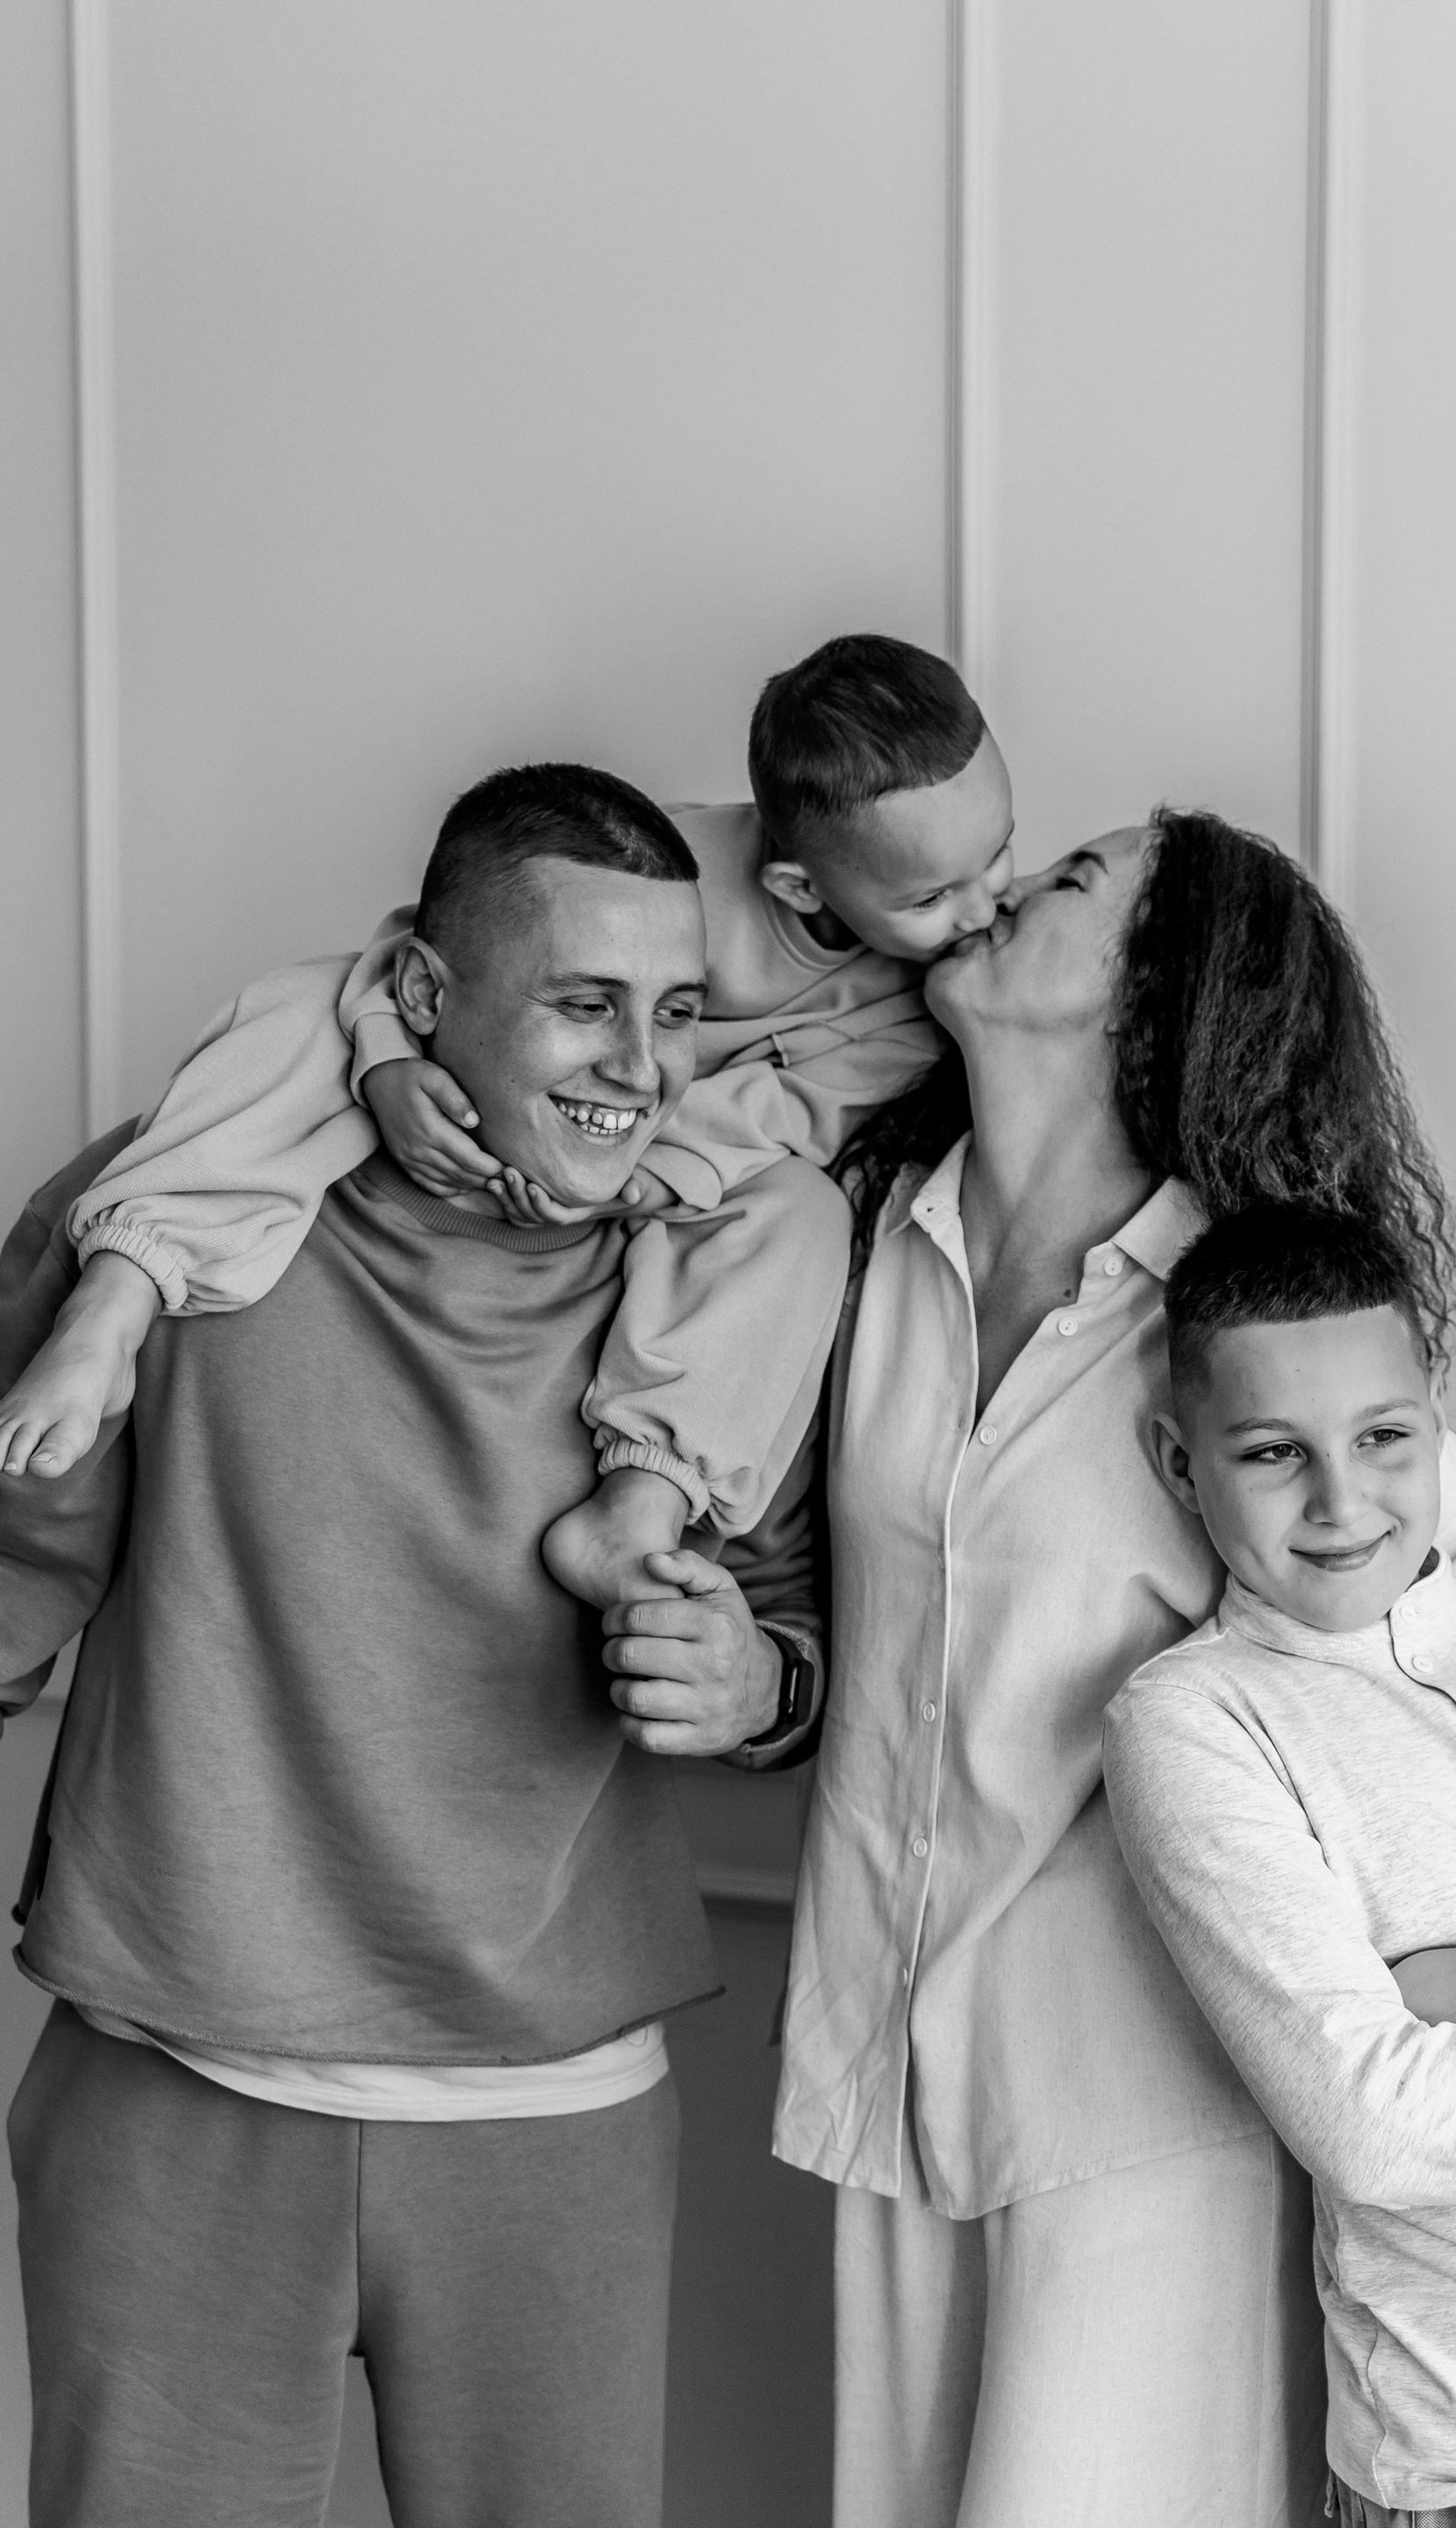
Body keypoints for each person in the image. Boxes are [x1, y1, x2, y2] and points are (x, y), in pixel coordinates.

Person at [770, 808, 1456, 2528]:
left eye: (1067, 882)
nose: (1002, 888)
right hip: (881, 2049)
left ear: (1154, 988)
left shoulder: (1239, 1336)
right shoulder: (872, 1235)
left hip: (1133, 2079)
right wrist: (763, 1686)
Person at [0, 764, 836, 2528]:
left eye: (678, 1011)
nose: (640, 1066)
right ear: (423, 993)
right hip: (175, 2088)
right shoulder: (174, 1209)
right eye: (584, 1004)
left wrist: (761, 1686)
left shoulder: (733, 1274)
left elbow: (801, 1638)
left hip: (559, 2114)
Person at [0, 633, 1015, 1613]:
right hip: (489, 1092)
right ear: (796, 882)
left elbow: (794, 1114)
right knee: (297, 1007)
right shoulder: (671, 866)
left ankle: (641, 1501)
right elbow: (427, 941)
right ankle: (122, 1291)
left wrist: (649, 1173)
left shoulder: (919, 1001)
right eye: (936, 895)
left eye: (1002, 857)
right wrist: (388, 1061)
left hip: (663, 1159)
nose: (986, 912)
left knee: (799, 1212)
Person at [1106, 1202, 1456, 2527]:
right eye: (1273, 1452)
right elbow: (1378, 2126)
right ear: (1182, 1463)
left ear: (1436, 1428)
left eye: (1382, 1438)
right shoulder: (1197, 1723)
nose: (1340, 1500)